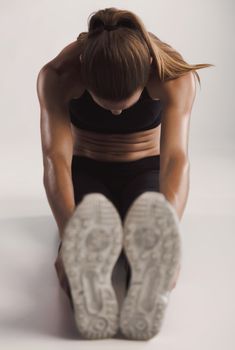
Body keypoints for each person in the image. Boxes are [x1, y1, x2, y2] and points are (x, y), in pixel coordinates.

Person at [36, 7, 213, 340]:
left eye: (124, 103)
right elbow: (55, 159)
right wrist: (70, 239)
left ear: (147, 70)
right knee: (83, 254)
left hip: (145, 170)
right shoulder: (58, 75)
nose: (116, 111)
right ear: (85, 72)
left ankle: (147, 288)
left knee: (146, 241)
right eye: (106, 103)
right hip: (87, 170)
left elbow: (175, 159)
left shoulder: (172, 75)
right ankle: (87, 292)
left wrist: (169, 236)